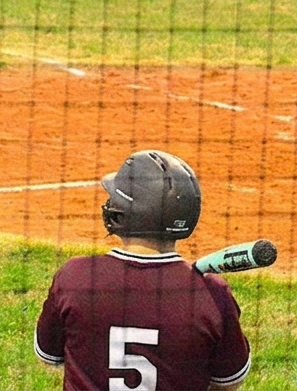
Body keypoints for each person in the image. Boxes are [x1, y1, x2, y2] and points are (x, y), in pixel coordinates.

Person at [35, 150, 252, 389]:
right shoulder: (211, 294)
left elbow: (48, 356)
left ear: (121, 213)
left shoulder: (75, 277)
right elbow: (229, 381)